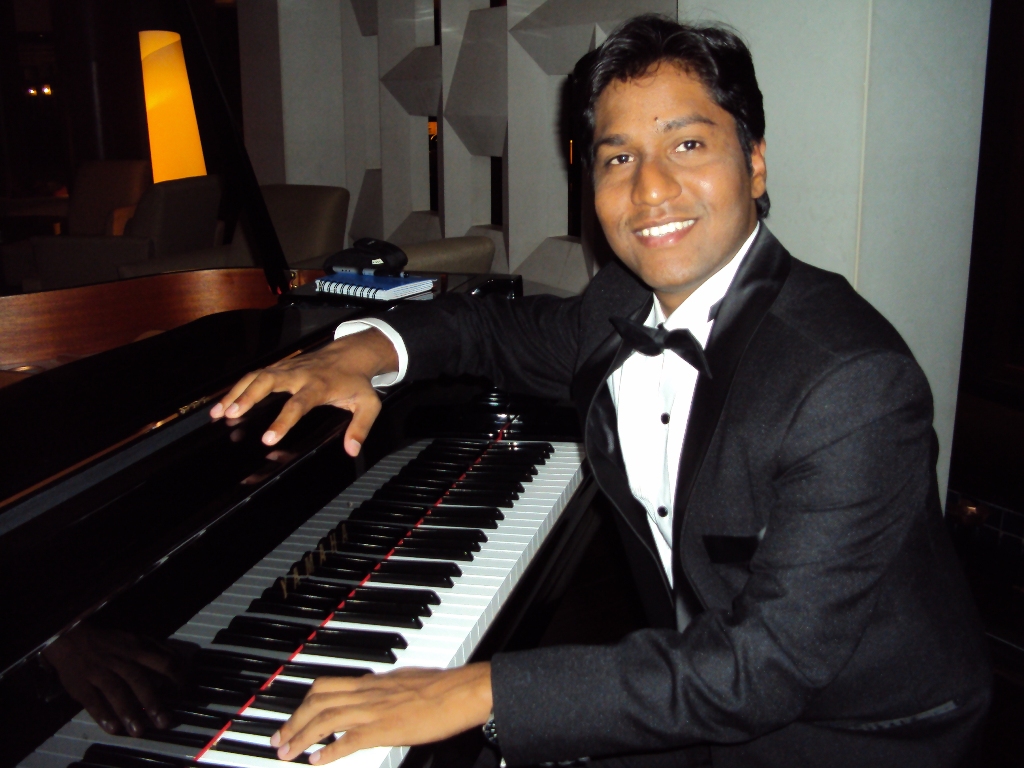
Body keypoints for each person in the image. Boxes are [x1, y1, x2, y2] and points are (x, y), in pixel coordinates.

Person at [210, 15, 990, 768]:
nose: (650, 189)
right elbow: (489, 331)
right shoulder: (619, 306)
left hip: (849, 732)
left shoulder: (851, 384)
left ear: (755, 163)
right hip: (692, 689)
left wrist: (477, 690)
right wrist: (368, 348)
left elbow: (765, 669)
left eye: (687, 144)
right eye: (619, 158)